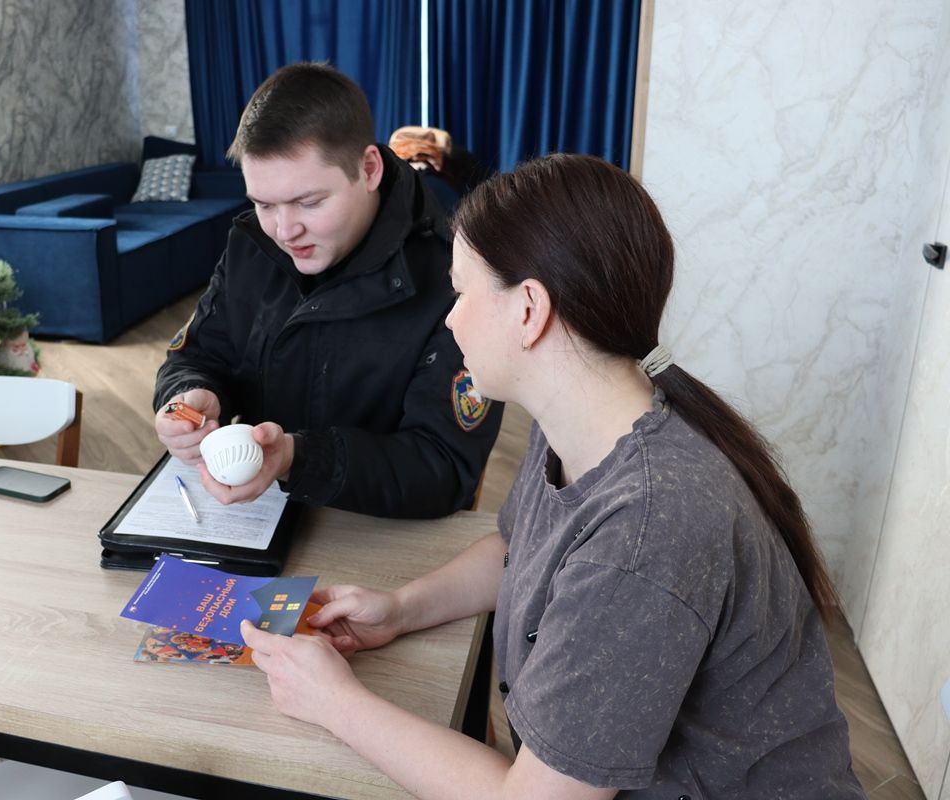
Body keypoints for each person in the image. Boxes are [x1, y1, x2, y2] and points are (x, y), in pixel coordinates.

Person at [239, 154, 867, 799]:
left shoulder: (648, 529)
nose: (450, 319)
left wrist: (334, 701)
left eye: (461, 293)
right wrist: (402, 609)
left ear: (529, 309)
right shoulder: (589, 417)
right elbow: (519, 546)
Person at [153, 63, 501, 517]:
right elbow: (196, 356)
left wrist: (298, 458)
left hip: (377, 535)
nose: (284, 231)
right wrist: (187, 398)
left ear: (369, 169)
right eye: (264, 204)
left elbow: (444, 469)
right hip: (256, 517)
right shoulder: (251, 246)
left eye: (309, 202)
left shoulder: (455, 280)